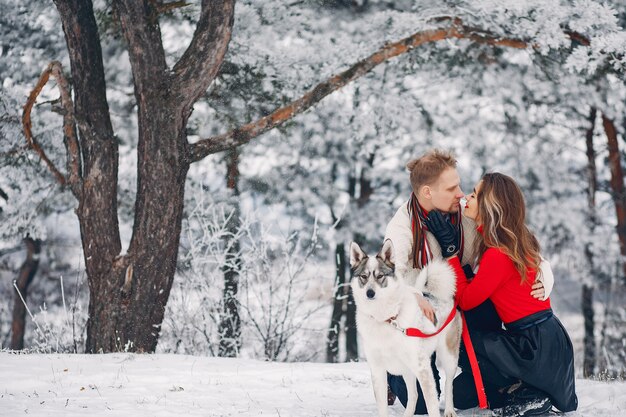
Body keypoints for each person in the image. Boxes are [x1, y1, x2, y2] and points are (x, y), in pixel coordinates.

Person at [384, 150, 553, 414]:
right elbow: (392, 276)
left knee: (470, 397)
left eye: (461, 186)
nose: (461, 194)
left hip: (463, 299)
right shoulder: (402, 227)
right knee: (420, 407)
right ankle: (394, 373)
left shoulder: (466, 214)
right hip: (420, 307)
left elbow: (510, 236)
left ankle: (497, 377)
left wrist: (543, 268)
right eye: (452, 188)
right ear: (428, 192)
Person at [426, 172, 578, 416]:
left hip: (533, 348)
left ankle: (530, 396)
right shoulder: (515, 240)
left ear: (490, 205)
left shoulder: (498, 253)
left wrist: (451, 252)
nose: (466, 197)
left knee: (470, 338)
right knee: (464, 393)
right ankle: (519, 391)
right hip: (548, 341)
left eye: (474, 194)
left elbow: (466, 300)